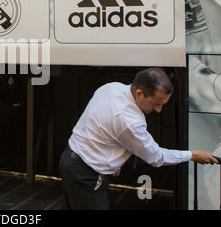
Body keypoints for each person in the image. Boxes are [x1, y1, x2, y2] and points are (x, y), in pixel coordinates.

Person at [60, 68, 219, 210]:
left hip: (70, 160)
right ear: (139, 93)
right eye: (156, 103)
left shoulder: (110, 88)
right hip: (86, 175)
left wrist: (113, 159)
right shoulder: (130, 121)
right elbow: (156, 157)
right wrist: (192, 155)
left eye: (163, 104)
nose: (158, 110)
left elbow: (97, 126)